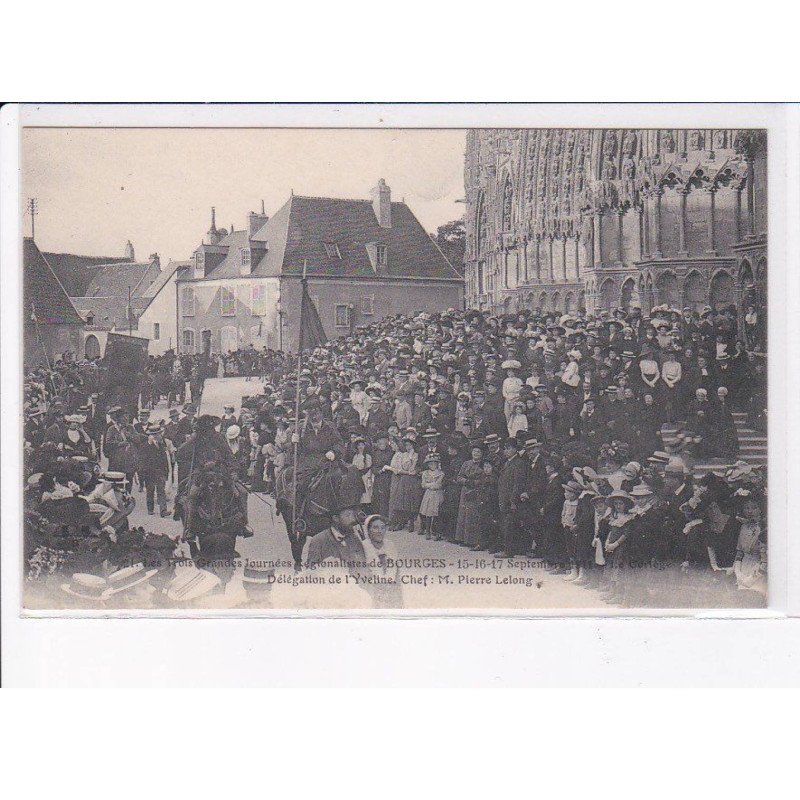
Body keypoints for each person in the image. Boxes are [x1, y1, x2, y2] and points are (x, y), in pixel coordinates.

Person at [419, 453, 445, 540]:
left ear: (437, 464)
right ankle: (427, 531)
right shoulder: (425, 473)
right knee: (428, 513)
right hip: (429, 494)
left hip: (437, 494)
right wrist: (430, 485)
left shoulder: (441, 473)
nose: (432, 466)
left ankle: (437, 532)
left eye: (434, 464)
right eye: (430, 464)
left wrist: (431, 484)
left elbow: (439, 484)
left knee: (437, 513)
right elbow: (423, 484)